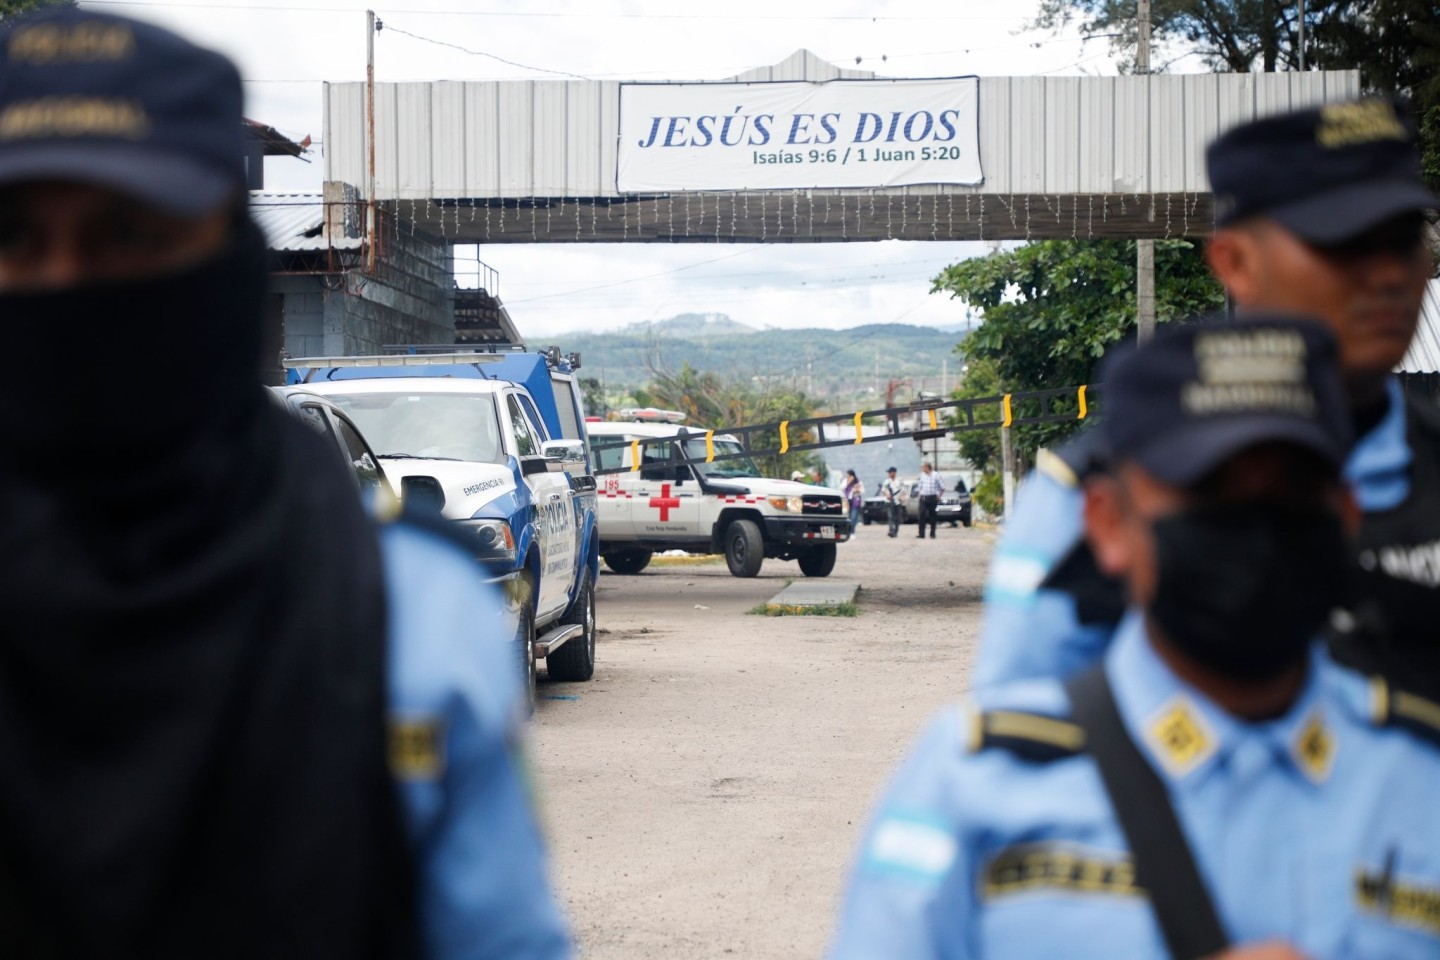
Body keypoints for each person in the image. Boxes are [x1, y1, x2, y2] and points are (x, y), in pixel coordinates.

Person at [0, 10, 569, 957]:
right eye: (16, 235)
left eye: (129, 232)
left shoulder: (406, 617)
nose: (68, 282)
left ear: (226, 259)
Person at [830, 318, 1440, 960]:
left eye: (1291, 488)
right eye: (1209, 488)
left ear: (1347, 514)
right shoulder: (971, 788)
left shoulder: (1419, 778)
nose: (1255, 526)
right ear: (1108, 522)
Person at [975, 96, 1440, 696]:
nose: (1389, 274)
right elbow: (1024, 740)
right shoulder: (1098, 494)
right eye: (1345, 242)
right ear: (1235, 263)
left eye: (1403, 239)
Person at [914, 461, 945, 539]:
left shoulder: (936, 475)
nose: (922, 469)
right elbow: (919, 487)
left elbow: (942, 487)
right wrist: (919, 495)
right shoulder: (922, 476)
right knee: (921, 516)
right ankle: (921, 534)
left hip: (932, 497)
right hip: (923, 497)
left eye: (924, 467)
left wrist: (939, 496)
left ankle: (932, 533)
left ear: (928, 467)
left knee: (933, 516)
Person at [880, 466, 907, 537]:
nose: (889, 474)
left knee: (897, 517)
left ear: (894, 473)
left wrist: (902, 497)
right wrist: (887, 495)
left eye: (890, 472)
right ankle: (891, 530)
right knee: (890, 516)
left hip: (897, 501)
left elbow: (903, 490)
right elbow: (883, 490)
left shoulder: (899, 481)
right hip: (889, 501)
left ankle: (896, 531)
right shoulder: (887, 481)